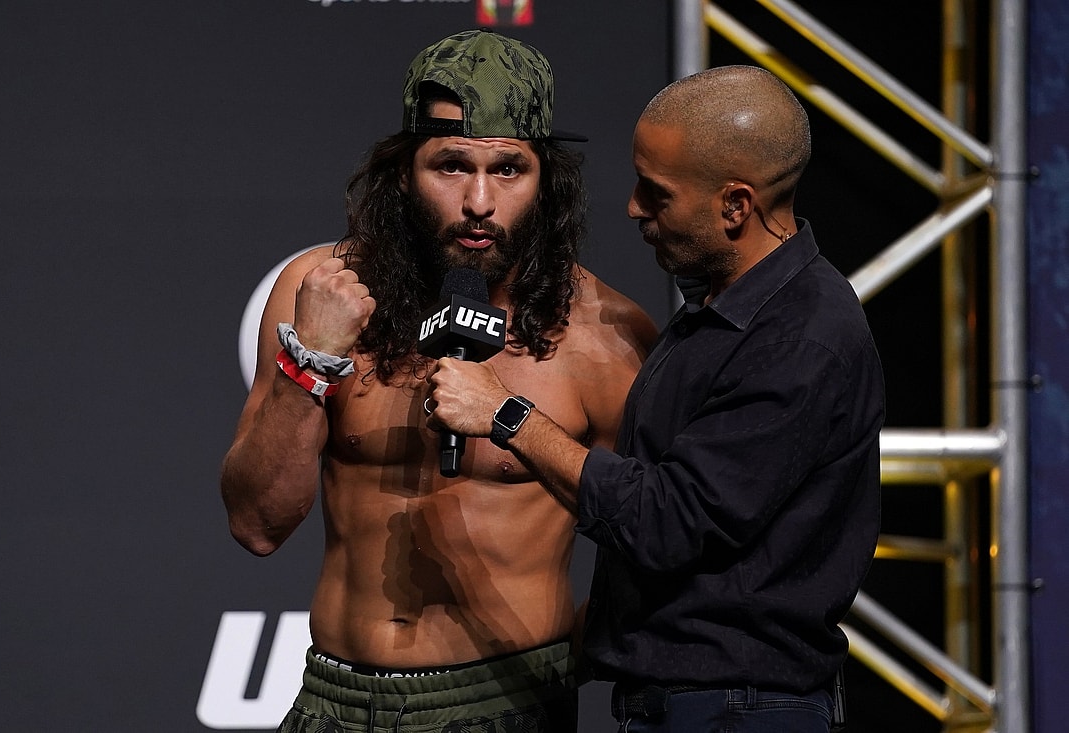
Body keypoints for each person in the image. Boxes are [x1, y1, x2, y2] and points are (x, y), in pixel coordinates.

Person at [219, 29, 657, 733]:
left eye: (510, 169)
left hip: (504, 703)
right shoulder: (320, 290)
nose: (480, 201)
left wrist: (551, 676)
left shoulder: (605, 337)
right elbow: (257, 523)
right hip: (333, 697)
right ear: (401, 172)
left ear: (547, 182)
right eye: (451, 165)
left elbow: (655, 537)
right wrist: (314, 360)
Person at [427, 65, 886, 732]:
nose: (634, 207)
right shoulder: (724, 310)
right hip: (689, 702)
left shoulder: (803, 336)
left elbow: (668, 521)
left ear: (735, 205)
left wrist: (506, 415)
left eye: (657, 192)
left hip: (738, 710)